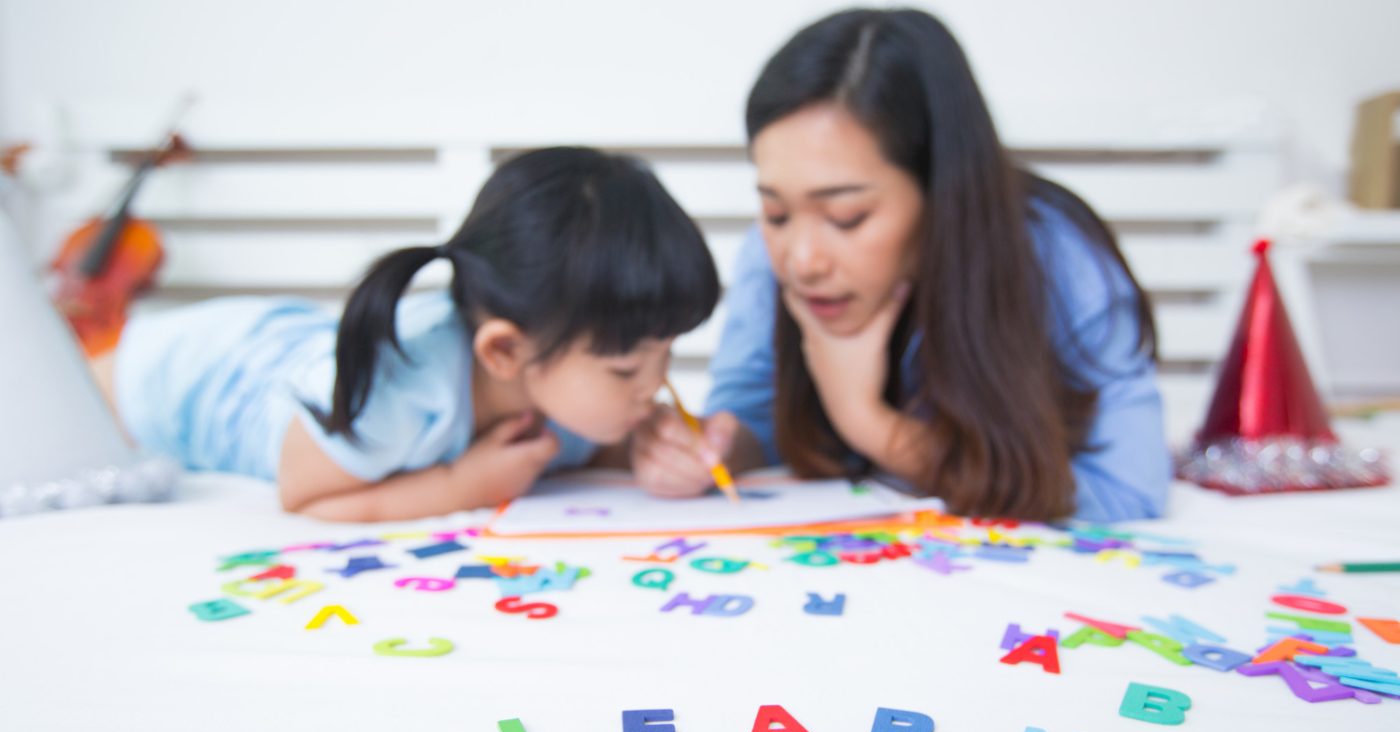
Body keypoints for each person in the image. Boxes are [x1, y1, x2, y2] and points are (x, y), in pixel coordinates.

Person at [631, 8, 1169, 522]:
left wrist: (867, 422)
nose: (801, 260)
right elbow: (751, 413)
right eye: (775, 211)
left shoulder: (1058, 254)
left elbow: (1129, 487)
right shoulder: (767, 253)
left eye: (847, 216)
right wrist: (708, 449)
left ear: (941, 191)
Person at [96, 147, 720, 522]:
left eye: (666, 355)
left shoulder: (558, 376)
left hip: (283, 340)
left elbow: (590, 441)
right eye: (625, 370)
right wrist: (462, 487)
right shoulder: (394, 388)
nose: (655, 387)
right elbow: (309, 498)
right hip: (168, 380)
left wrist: (643, 450)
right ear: (503, 350)